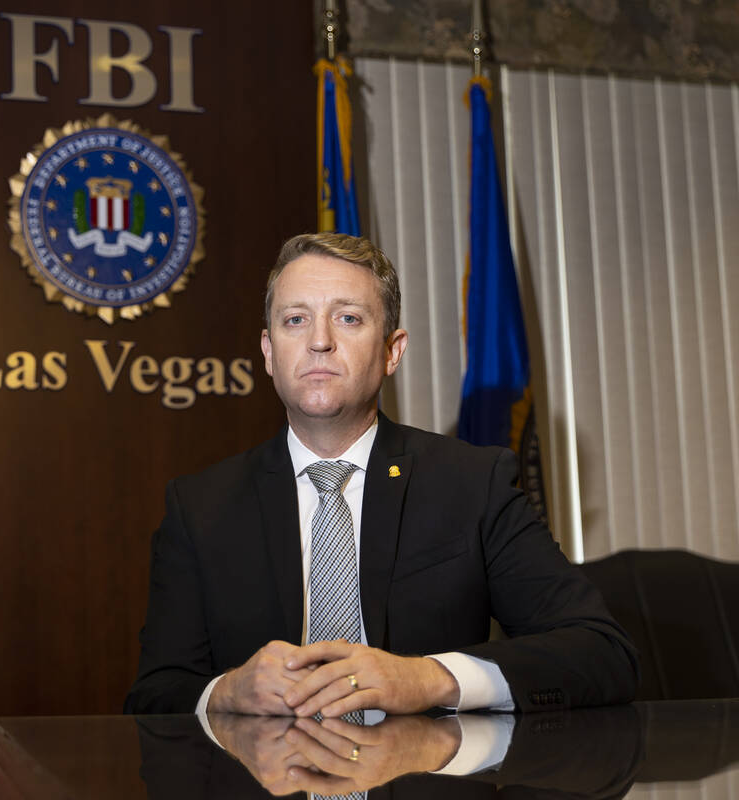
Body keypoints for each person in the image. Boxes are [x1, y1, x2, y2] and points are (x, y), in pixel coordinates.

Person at [124, 233, 638, 719]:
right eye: (295, 320)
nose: (319, 341)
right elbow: (154, 696)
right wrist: (227, 691)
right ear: (268, 352)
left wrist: (429, 678)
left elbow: (601, 652)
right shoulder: (200, 507)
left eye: (348, 319)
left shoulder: (472, 484)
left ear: (392, 351)